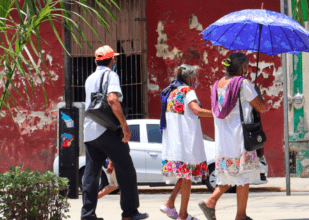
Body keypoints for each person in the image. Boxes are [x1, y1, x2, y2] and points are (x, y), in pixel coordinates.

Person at [82, 45, 148, 220]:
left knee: (91, 174)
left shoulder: (89, 78)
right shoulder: (111, 75)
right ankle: (130, 213)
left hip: (89, 131)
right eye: (115, 58)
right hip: (106, 130)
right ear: (112, 60)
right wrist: (125, 127)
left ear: (96, 60)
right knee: (126, 170)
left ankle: (87, 215)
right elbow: (112, 99)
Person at [198, 53, 266, 220]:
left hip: (223, 137)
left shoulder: (217, 84)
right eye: (247, 65)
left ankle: (218, 205)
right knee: (243, 175)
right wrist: (257, 92)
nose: (248, 68)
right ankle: (234, 212)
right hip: (239, 137)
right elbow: (261, 107)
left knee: (232, 173)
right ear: (242, 67)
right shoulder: (243, 84)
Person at [160, 64, 213, 220]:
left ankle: (170, 203)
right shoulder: (188, 91)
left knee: (184, 176)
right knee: (187, 178)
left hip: (175, 143)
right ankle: (182, 215)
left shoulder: (170, 92)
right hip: (186, 142)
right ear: (191, 78)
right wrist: (217, 114)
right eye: (195, 78)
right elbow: (196, 110)